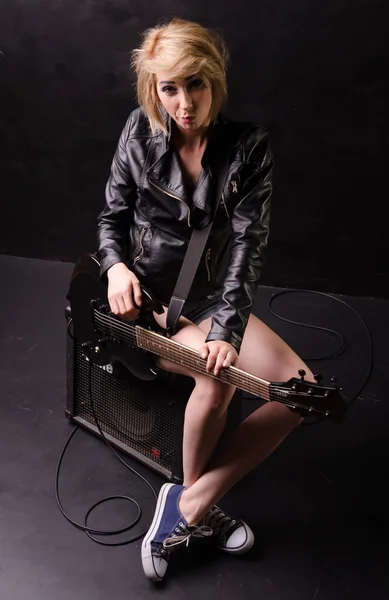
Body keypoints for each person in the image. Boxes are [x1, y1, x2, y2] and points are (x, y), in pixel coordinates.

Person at [96, 18, 315, 582]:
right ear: (154, 91)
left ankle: (190, 502)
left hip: (215, 298)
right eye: (169, 88)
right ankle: (200, 510)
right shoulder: (137, 134)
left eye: (195, 84)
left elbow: (248, 246)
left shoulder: (248, 148)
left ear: (214, 81)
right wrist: (116, 266)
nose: (184, 103)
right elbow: (111, 219)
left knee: (303, 391)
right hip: (149, 300)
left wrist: (227, 330)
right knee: (216, 380)